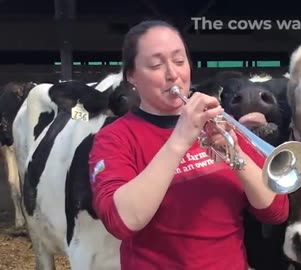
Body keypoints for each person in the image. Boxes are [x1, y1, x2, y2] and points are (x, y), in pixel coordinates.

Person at [88, 20, 289, 270]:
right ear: (132, 76)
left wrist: (235, 155)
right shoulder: (114, 138)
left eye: (179, 61)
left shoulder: (220, 124)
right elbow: (121, 222)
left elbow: (276, 211)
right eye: (156, 64)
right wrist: (179, 140)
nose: (173, 74)